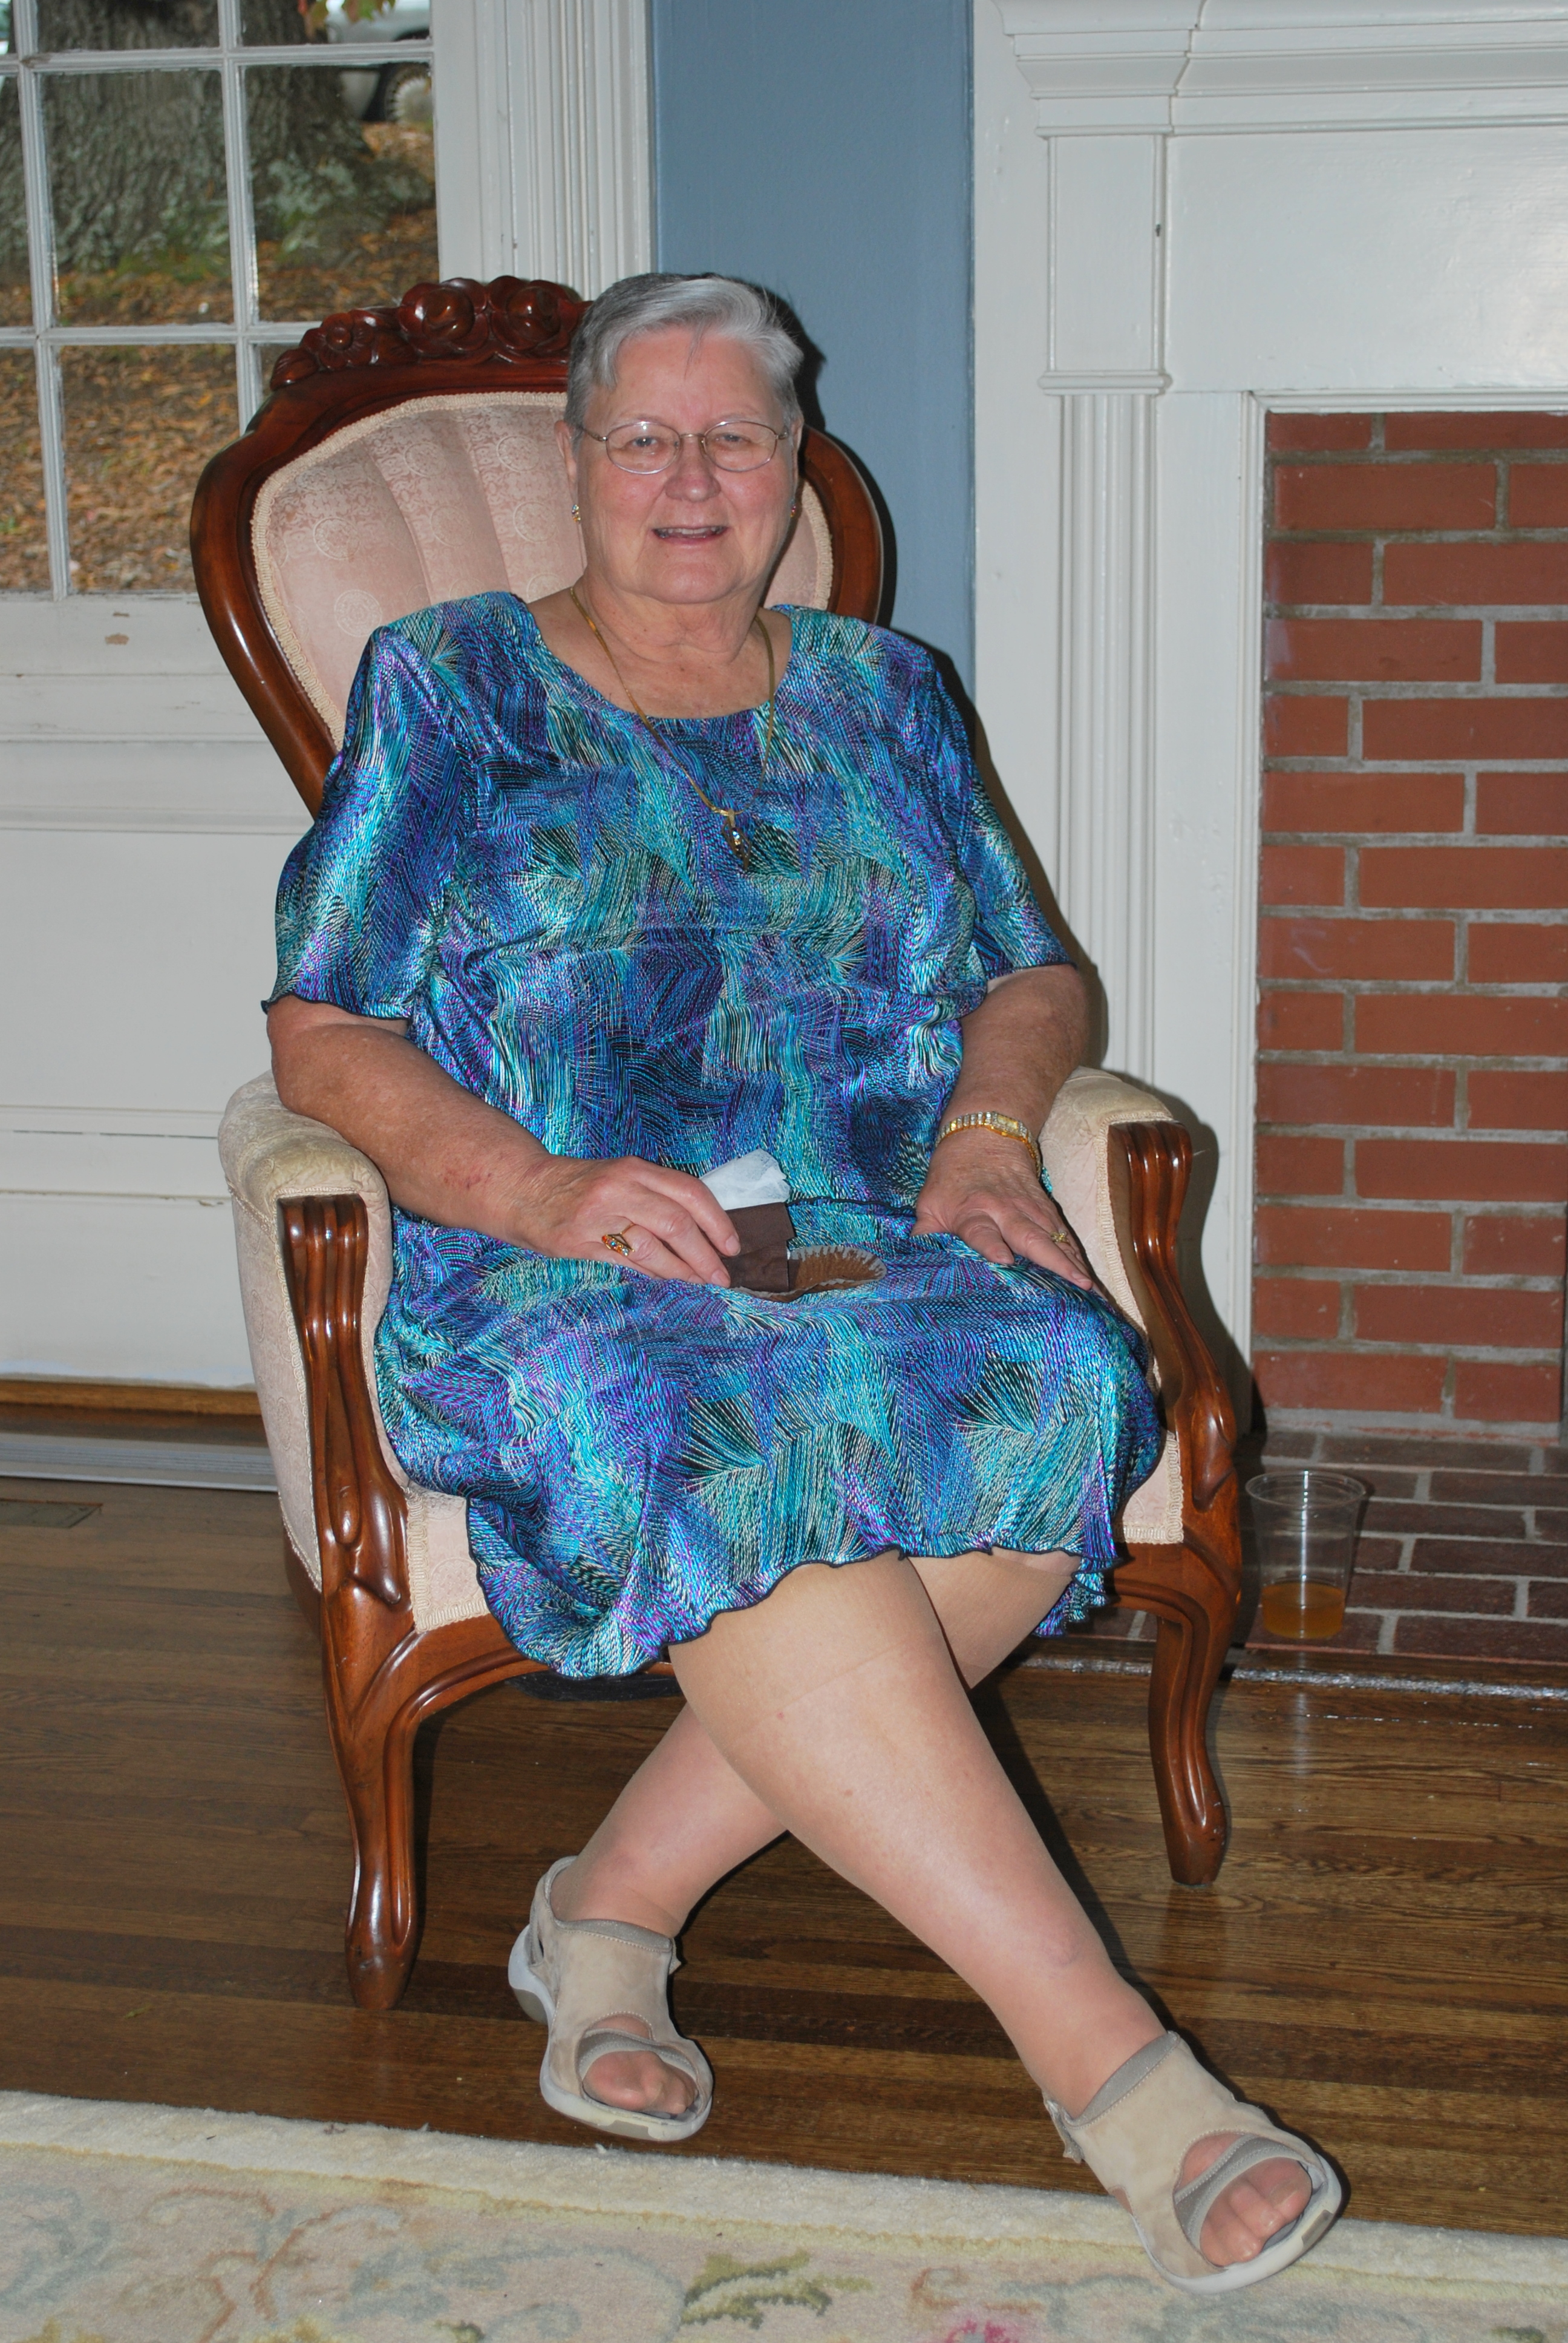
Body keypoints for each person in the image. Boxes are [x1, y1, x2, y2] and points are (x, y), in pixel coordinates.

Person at [267, 271, 1339, 2296]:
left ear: (792, 466)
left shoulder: (884, 692)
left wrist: (988, 1139)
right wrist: (542, 1186)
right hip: (563, 1263)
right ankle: (1120, 2074)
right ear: (577, 463)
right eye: (644, 438)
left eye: (734, 439)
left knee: (1056, 1385)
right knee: (743, 1433)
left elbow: (1035, 974)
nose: (691, 479)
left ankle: (607, 1908)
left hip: (863, 1228)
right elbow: (322, 1029)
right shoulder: (452, 687)